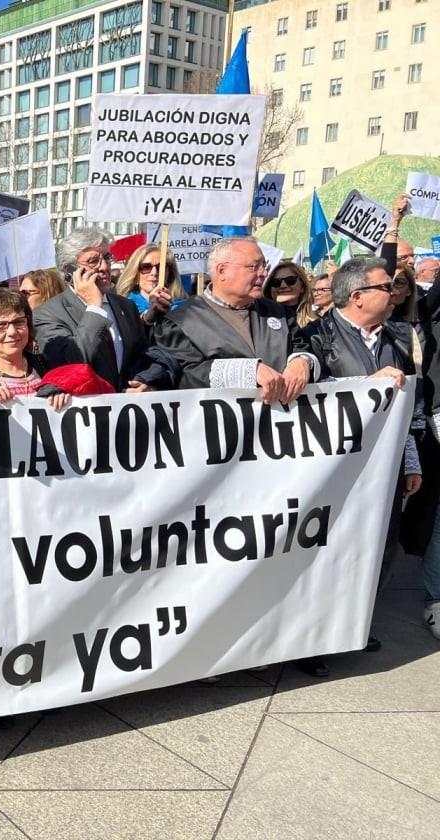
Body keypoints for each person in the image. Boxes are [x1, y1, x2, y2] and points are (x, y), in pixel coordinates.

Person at [304, 256, 423, 651]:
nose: (393, 293)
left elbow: (406, 406)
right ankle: (314, 638)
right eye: (385, 287)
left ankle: (355, 626)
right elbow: (310, 398)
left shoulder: (396, 338)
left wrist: (410, 461)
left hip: (384, 467)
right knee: (331, 551)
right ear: (357, 296)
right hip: (336, 470)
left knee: (380, 547)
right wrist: (365, 384)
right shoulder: (316, 335)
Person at [153, 236, 318, 401]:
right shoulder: (181, 321)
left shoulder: (279, 312)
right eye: (254, 266)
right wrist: (248, 371)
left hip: (281, 422)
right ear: (222, 271)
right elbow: (185, 374)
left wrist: (302, 361)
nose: (264, 273)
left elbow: (301, 345)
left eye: (264, 265)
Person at [32, 226, 160, 392]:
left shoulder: (126, 306)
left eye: (107, 257)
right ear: (69, 271)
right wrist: (94, 308)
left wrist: (145, 380)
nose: (104, 267)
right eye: (93, 261)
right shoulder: (47, 314)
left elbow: (144, 356)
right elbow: (72, 363)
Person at [0, 287, 70, 411]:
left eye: (19, 322)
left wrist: (64, 397)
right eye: (1, 325)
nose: (12, 332)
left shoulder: (48, 366)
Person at [114, 244, 184, 325]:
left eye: (160, 267)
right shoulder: (122, 308)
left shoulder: (184, 309)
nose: (154, 273)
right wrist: (149, 316)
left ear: (169, 273)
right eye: (146, 267)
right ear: (135, 273)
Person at [265, 260, 318, 327]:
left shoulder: (317, 325)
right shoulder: (261, 320)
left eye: (290, 280)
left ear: (302, 287)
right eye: (276, 282)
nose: (283, 285)